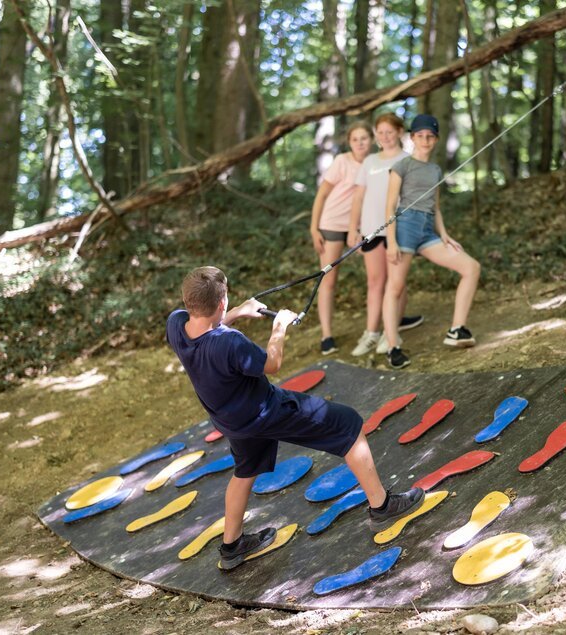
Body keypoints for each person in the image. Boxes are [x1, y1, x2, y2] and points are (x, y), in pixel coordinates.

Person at [166, 267, 425, 571]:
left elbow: (207, 327)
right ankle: (382, 506)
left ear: (187, 301)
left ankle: (232, 546)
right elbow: (272, 363)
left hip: (231, 421)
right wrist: (279, 327)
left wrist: (237, 312)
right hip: (266, 412)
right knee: (349, 424)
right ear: (221, 302)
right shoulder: (230, 343)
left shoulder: (176, 324)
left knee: (245, 471)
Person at [382, 114, 481, 369]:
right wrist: (391, 241)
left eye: (430, 136)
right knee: (395, 287)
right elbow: (390, 205)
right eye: (420, 136)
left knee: (471, 267)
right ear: (412, 138)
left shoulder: (435, 170)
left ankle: (457, 329)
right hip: (405, 227)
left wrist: (444, 235)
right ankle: (392, 347)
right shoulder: (402, 165)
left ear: (436, 140)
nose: (425, 140)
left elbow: (435, 208)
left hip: (428, 231)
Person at [347, 113, 423, 357]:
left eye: (390, 131)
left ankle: (392, 332)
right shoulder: (370, 161)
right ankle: (371, 333)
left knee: (396, 283)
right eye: (380, 132)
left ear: (400, 132)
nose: (385, 137)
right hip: (371, 229)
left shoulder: (408, 160)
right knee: (375, 282)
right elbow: (358, 197)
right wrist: (353, 228)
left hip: (398, 229)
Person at [309, 122, 373, 355]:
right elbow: (322, 194)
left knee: (378, 274)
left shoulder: (375, 163)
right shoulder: (342, 162)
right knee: (328, 280)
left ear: (371, 140)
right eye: (355, 139)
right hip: (332, 224)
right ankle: (326, 335)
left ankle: (387, 320)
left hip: (361, 226)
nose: (360, 143)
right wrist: (314, 228)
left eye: (364, 138)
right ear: (349, 142)